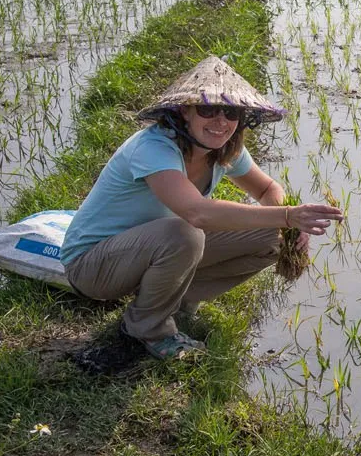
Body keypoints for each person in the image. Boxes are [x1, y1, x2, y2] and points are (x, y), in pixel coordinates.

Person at [61, 56, 343, 360]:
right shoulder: (153, 147)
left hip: (149, 251)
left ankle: (172, 301)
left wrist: (288, 229)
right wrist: (288, 215)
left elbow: (266, 189)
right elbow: (197, 212)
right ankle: (146, 328)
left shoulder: (223, 147)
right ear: (185, 111)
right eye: (207, 109)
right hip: (93, 265)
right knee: (185, 233)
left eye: (231, 111)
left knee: (273, 238)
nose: (220, 121)